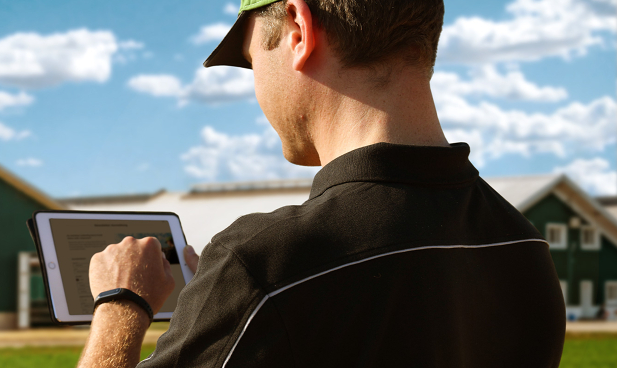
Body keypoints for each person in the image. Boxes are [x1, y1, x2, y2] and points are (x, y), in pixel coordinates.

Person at [79, 0, 566, 367]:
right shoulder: (522, 242)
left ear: (297, 29)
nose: (255, 87)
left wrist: (122, 304)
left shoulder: (265, 264)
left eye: (251, 60)